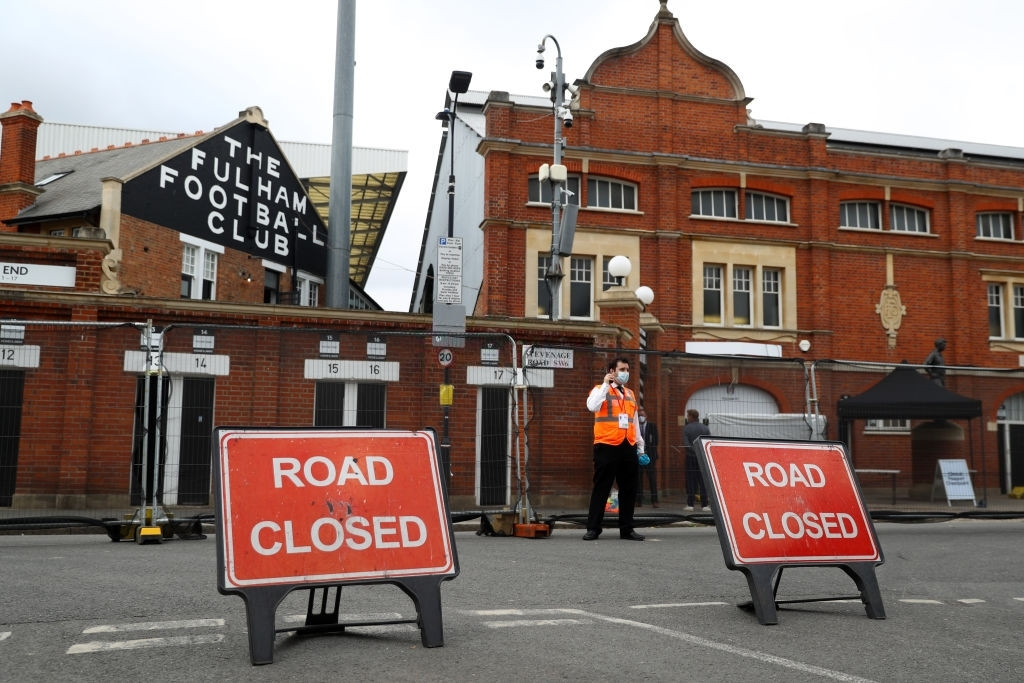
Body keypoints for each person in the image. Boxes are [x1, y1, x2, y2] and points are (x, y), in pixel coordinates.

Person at [583, 357, 646, 541]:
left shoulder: (631, 394)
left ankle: (627, 529)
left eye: (627, 369)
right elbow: (592, 406)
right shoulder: (599, 390)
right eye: (622, 369)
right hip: (606, 445)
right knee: (601, 487)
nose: (625, 372)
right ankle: (593, 528)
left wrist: (640, 448)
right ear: (612, 371)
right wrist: (605, 384)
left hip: (628, 445)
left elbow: (634, 423)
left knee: (629, 489)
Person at [682, 408, 710, 511]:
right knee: (703, 480)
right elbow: (708, 442)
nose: (687, 417)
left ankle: (690, 504)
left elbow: (686, 445)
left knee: (691, 480)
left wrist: (694, 451)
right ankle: (705, 505)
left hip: (691, 457)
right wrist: (700, 452)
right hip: (702, 457)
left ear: (691, 417)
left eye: (688, 416)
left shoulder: (687, 429)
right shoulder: (705, 428)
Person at [635, 406, 659, 508]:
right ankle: (638, 500)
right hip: (638, 455)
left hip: (650, 455)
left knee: (652, 478)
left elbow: (656, 441)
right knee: (638, 479)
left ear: (646, 416)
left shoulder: (652, 426)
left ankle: (654, 500)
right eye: (639, 415)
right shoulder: (635, 427)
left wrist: (648, 450)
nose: (641, 417)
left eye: (642, 415)